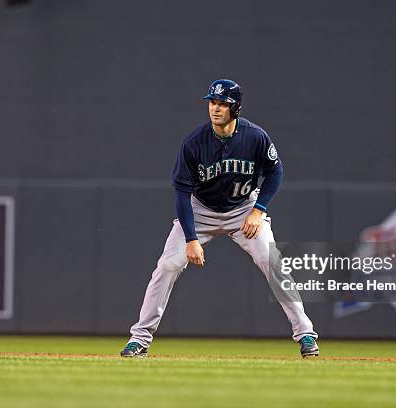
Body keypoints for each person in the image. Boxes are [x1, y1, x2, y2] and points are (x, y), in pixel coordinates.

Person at [120, 79, 318, 358]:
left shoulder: (255, 136)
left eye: (223, 103)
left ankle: (306, 334)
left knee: (271, 261)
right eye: (212, 102)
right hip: (200, 211)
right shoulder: (193, 143)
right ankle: (139, 338)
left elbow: (275, 171)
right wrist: (190, 239)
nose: (215, 108)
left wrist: (258, 210)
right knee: (167, 266)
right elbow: (181, 194)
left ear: (235, 108)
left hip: (243, 209)